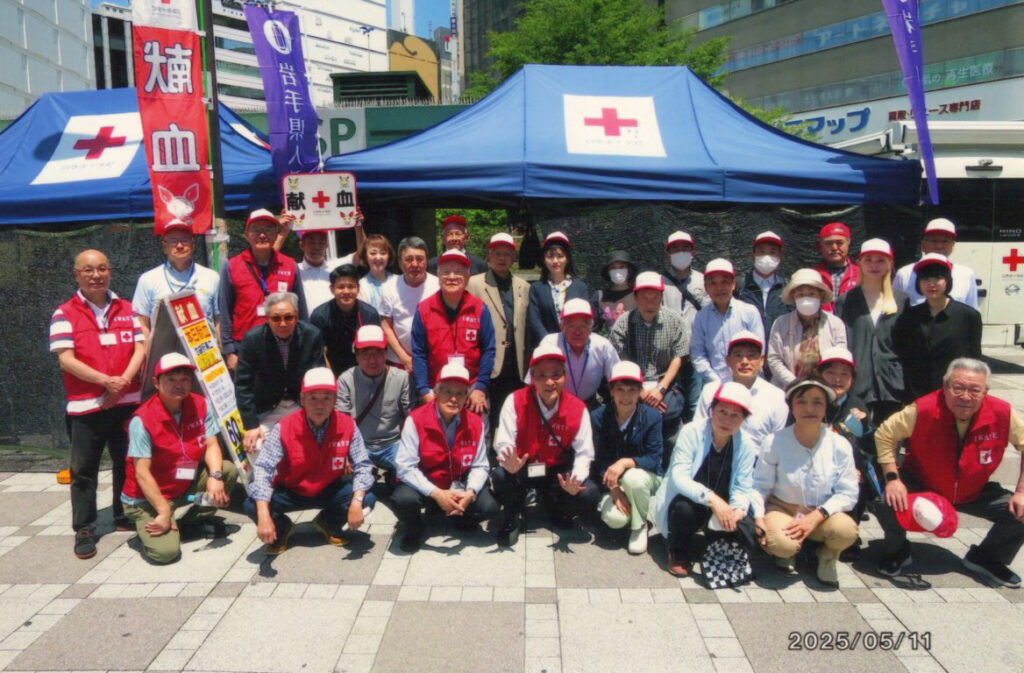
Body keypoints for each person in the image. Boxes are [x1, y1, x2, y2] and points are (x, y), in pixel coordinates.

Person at [874, 358, 1024, 588]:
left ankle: (986, 558)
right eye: (958, 388)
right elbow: (884, 434)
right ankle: (898, 550)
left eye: (974, 390)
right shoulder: (922, 409)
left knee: (1022, 509)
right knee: (886, 501)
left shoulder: (1002, 412)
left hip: (974, 490)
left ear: (986, 392)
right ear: (945, 388)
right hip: (924, 484)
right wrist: (892, 478)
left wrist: (1021, 491)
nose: (965, 396)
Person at [50, 249, 146, 559]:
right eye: (88, 270)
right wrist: (106, 382)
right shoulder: (64, 313)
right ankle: (84, 528)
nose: (96, 275)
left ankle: (123, 514)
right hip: (86, 406)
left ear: (110, 271)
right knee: (83, 470)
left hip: (127, 402)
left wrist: (122, 383)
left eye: (102, 268)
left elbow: (141, 348)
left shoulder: (128, 308)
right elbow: (66, 359)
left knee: (126, 461)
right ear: (76, 275)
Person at [121, 354, 238, 564]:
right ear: (156, 382)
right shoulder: (142, 420)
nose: (179, 385)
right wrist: (163, 509)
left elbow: (212, 444)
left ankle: (189, 524)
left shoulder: (200, 404)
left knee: (227, 471)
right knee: (166, 554)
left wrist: (215, 477)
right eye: (171, 380)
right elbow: (141, 473)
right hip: (148, 498)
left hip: (183, 489)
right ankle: (153, 527)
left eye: (184, 379)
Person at [244, 367, 375, 555]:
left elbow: (363, 465)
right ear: (302, 399)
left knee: (367, 498)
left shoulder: (348, 424)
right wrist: (264, 515)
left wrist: (356, 501)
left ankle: (329, 523)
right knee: (252, 505)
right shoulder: (284, 427)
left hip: (329, 488)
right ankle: (281, 529)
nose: (319, 405)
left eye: (326, 398)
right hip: (291, 490)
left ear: (335, 400)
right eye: (313, 398)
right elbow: (264, 468)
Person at [751, 376, 859, 587]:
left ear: (826, 407)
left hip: (821, 513)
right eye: (801, 401)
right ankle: (789, 551)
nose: (809, 408)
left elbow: (848, 493)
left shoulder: (839, 444)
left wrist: (817, 516)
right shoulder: (774, 441)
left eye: (817, 402)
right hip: (783, 508)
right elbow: (760, 485)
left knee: (846, 531)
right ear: (791, 407)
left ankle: (826, 555)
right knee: (781, 544)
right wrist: (757, 516)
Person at [492, 344, 600, 547]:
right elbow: (504, 440)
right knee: (500, 475)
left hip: (555, 472)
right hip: (523, 467)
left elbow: (584, 453)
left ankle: (556, 507)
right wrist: (509, 461)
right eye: (541, 375)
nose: (549, 382)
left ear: (565, 377)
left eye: (556, 375)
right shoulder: (514, 400)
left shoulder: (577, 408)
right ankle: (512, 516)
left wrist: (575, 481)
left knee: (588, 493)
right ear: (532, 378)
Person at [392, 363, 500, 552]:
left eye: (460, 393)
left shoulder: (475, 422)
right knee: (402, 499)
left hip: (459, 483)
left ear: (466, 397)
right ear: (436, 393)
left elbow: (480, 465)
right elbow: (405, 467)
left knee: (489, 507)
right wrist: (436, 494)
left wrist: (470, 493)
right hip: (428, 483)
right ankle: (415, 528)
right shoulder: (415, 419)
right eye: (447, 392)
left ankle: (460, 516)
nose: (453, 399)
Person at [654, 382, 758, 577]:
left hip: (723, 503)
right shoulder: (691, 432)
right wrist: (713, 500)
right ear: (712, 410)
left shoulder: (746, 445)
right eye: (722, 411)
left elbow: (743, 487)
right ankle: (677, 552)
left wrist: (737, 510)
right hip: (693, 499)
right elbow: (679, 477)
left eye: (735, 415)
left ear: (744, 419)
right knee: (684, 510)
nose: (727, 420)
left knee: (746, 522)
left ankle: (716, 544)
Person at [235, 292, 325, 456]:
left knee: (316, 445)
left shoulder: (312, 335)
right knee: (255, 447)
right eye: (276, 318)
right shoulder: (252, 339)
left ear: (296, 316)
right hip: (267, 408)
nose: (282, 323)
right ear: (267, 319)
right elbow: (243, 385)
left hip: (301, 404)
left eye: (288, 317)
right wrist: (251, 425)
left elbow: (318, 379)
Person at [609, 272, 688, 452]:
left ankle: (666, 454)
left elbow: (678, 356)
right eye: (645, 298)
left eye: (655, 298)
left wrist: (661, 389)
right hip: (632, 383)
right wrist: (641, 391)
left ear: (661, 297)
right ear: (636, 297)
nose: (650, 303)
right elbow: (618, 359)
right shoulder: (623, 323)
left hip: (664, 382)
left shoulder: (674, 321)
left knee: (669, 412)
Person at [410, 249, 495, 415]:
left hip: (472, 388)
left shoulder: (480, 308)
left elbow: (488, 350)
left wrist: (480, 387)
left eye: (458, 272)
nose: (452, 277)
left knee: (475, 430)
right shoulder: (424, 310)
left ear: (467, 277)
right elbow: (419, 353)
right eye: (446, 272)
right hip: (437, 388)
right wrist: (424, 390)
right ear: (438, 276)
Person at [591, 361, 663, 554]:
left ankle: (639, 526)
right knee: (614, 519)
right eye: (620, 389)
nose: (625, 396)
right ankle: (633, 509)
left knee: (633, 478)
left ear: (640, 391)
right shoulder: (598, 416)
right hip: (612, 480)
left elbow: (654, 458)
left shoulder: (652, 417)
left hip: (645, 477)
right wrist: (614, 489)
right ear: (611, 391)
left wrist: (625, 462)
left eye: (632, 390)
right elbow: (599, 458)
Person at [833, 239, 907, 424]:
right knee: (857, 435)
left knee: (889, 438)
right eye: (868, 260)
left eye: (881, 260)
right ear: (859, 263)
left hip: (892, 386)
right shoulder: (846, 301)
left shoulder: (902, 300)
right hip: (857, 386)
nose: (874, 265)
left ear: (890, 264)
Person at [219, 209, 303, 370]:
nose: (262, 235)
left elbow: (301, 309)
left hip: (284, 345)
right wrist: (229, 351)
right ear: (247, 234)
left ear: (276, 233)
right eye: (256, 229)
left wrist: (303, 344)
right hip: (244, 347)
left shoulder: (289, 265)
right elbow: (225, 312)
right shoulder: (231, 266)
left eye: (268, 229)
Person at [892, 253, 982, 402]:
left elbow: (975, 358)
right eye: (926, 279)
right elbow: (903, 354)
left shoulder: (968, 316)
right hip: (917, 394)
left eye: (938, 278)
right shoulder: (909, 316)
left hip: (955, 394)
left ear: (948, 281)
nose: (931, 284)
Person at [467, 232, 531, 432]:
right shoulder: (474, 284)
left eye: (506, 254)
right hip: (490, 361)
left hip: (516, 362)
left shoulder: (524, 286)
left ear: (513, 257)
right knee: (489, 413)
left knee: (514, 413)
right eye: (497, 253)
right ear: (489, 256)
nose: (502, 258)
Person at [818, 347, 877, 561]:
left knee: (859, 477)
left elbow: (869, 447)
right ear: (820, 375)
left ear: (852, 379)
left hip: (846, 467)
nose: (837, 379)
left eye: (845, 374)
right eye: (831, 372)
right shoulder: (810, 399)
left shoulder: (857, 405)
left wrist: (865, 426)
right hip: (812, 465)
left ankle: (849, 531)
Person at [336, 325, 412, 480]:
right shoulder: (345, 380)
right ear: (356, 355)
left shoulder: (401, 378)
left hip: (393, 444)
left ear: (386, 353)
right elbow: (341, 421)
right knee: (345, 478)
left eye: (378, 353)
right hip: (359, 445)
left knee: (410, 476)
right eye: (365, 354)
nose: (372, 360)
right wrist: (342, 453)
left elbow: (412, 418)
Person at [693, 331, 787, 451]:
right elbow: (697, 432)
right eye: (738, 355)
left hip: (758, 459)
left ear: (762, 360)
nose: (745, 361)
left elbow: (777, 444)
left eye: (751, 355)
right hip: (713, 455)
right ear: (728, 360)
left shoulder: (776, 397)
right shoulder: (711, 391)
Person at [132, 219, 219, 337]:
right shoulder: (147, 279)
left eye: (184, 240)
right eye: (173, 240)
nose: (179, 246)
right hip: (163, 348)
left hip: (204, 347)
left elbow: (219, 320)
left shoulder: (212, 277)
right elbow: (142, 322)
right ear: (164, 246)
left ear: (193, 244)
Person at [528, 298, 619, 408]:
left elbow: (618, 381)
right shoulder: (549, 343)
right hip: (554, 403)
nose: (578, 332)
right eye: (572, 326)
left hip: (588, 403)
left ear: (591, 328)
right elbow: (531, 382)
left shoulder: (603, 346)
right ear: (562, 327)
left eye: (583, 326)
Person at [767, 268, 848, 388]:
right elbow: (774, 359)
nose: (806, 298)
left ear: (821, 295)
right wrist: (795, 384)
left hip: (825, 389)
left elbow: (839, 358)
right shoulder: (780, 323)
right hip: (787, 389)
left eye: (811, 294)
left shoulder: (835, 324)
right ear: (794, 296)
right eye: (801, 294)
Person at [690, 258, 764, 385]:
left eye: (725, 282)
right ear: (706, 288)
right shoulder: (700, 318)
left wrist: (746, 379)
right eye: (713, 283)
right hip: (715, 384)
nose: (719, 288)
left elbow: (759, 350)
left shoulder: (749, 312)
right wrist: (715, 381)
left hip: (749, 382)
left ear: (733, 284)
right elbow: (698, 354)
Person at [660, 231, 709, 418]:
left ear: (693, 252)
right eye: (675, 249)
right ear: (668, 254)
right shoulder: (660, 282)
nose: (680, 252)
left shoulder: (704, 280)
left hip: (697, 353)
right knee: (671, 403)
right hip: (670, 355)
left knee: (695, 404)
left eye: (685, 248)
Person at [527, 231, 597, 349]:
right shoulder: (536, 288)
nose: (555, 261)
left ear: (567, 258)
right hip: (547, 347)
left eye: (560, 256)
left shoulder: (580, 287)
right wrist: (548, 342)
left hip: (576, 346)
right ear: (544, 259)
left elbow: (586, 318)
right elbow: (535, 320)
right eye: (550, 256)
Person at [379, 236, 439, 371]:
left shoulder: (438, 286)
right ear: (400, 263)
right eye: (409, 259)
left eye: (420, 259)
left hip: (433, 359)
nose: (415, 264)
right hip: (399, 361)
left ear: (426, 261)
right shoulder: (389, 288)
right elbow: (386, 326)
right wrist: (405, 358)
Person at [310, 264, 381, 377]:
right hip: (332, 371)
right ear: (332, 289)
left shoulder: (370, 314)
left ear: (358, 288)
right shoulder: (319, 316)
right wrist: (331, 378)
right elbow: (320, 353)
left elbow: (376, 351)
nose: (346, 291)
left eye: (351, 286)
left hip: (364, 371)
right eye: (341, 287)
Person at [893, 218, 980, 310]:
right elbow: (896, 311)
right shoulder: (904, 274)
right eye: (933, 241)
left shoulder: (966, 274)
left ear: (953, 246)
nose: (939, 246)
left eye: (945, 241)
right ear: (923, 245)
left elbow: (972, 311)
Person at [737, 231, 790, 340]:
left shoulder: (788, 288)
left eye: (772, 252)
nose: (767, 257)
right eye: (762, 252)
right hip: (747, 347)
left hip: (779, 348)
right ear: (753, 255)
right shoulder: (739, 286)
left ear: (779, 256)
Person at [812, 222, 859, 310]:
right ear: (820, 245)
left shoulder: (861, 275)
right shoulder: (811, 276)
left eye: (839, 243)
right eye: (828, 243)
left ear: (848, 242)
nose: (834, 247)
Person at [294, 229, 339, 317]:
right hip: (306, 324)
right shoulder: (295, 270)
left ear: (327, 245)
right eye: (311, 242)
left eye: (321, 242)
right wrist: (283, 232)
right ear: (301, 245)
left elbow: (361, 254)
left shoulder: (336, 267)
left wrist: (358, 226)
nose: (317, 247)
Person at [597, 250, 637, 334]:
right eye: (613, 268)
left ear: (629, 270)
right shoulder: (600, 296)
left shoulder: (638, 294)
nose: (618, 271)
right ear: (608, 271)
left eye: (622, 267)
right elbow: (594, 327)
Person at [357, 234, 396, 312]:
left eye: (383, 253)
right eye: (373, 253)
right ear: (365, 256)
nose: (378, 257)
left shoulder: (398, 282)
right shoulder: (361, 286)